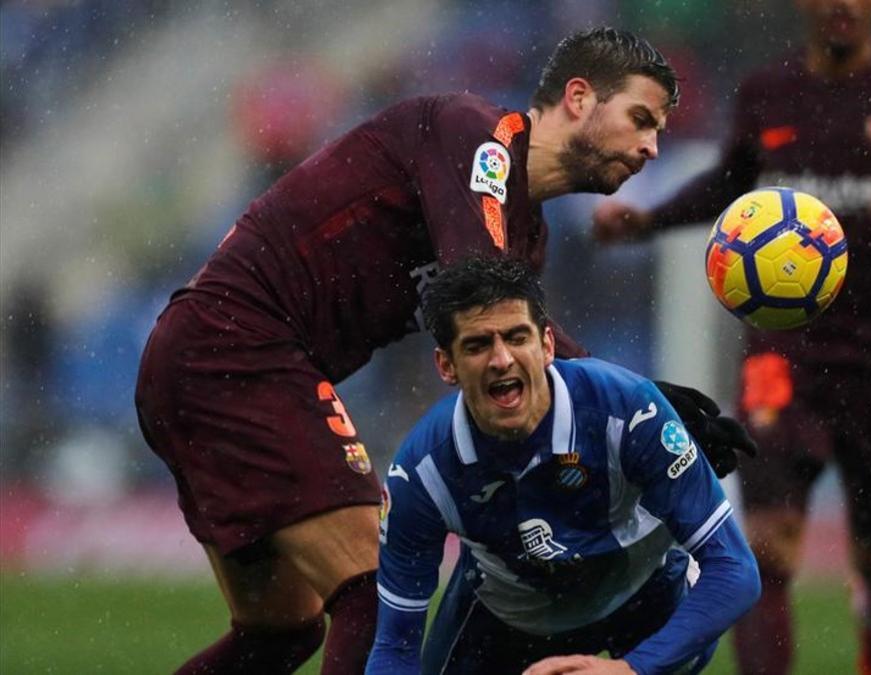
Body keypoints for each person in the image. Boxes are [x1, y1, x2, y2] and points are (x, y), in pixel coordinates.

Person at [136, 27, 748, 674]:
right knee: (371, 585)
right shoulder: (474, 136)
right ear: (578, 96)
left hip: (204, 359)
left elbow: (510, 327)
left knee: (279, 631)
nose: (652, 147)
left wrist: (628, 403)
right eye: (640, 119)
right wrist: (639, 400)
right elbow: (479, 292)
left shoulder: (525, 235)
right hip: (236, 349)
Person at [592, 1, 871, 673]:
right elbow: (730, 183)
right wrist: (648, 221)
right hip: (784, 350)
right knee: (767, 543)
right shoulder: (768, 91)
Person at [366, 257, 761, 674]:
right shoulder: (421, 474)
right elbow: (394, 647)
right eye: (478, 345)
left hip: (646, 597)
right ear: (446, 365)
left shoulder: (631, 413)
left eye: (517, 337)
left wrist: (628, 671)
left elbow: (735, 569)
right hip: (507, 620)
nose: (501, 360)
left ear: (548, 345)